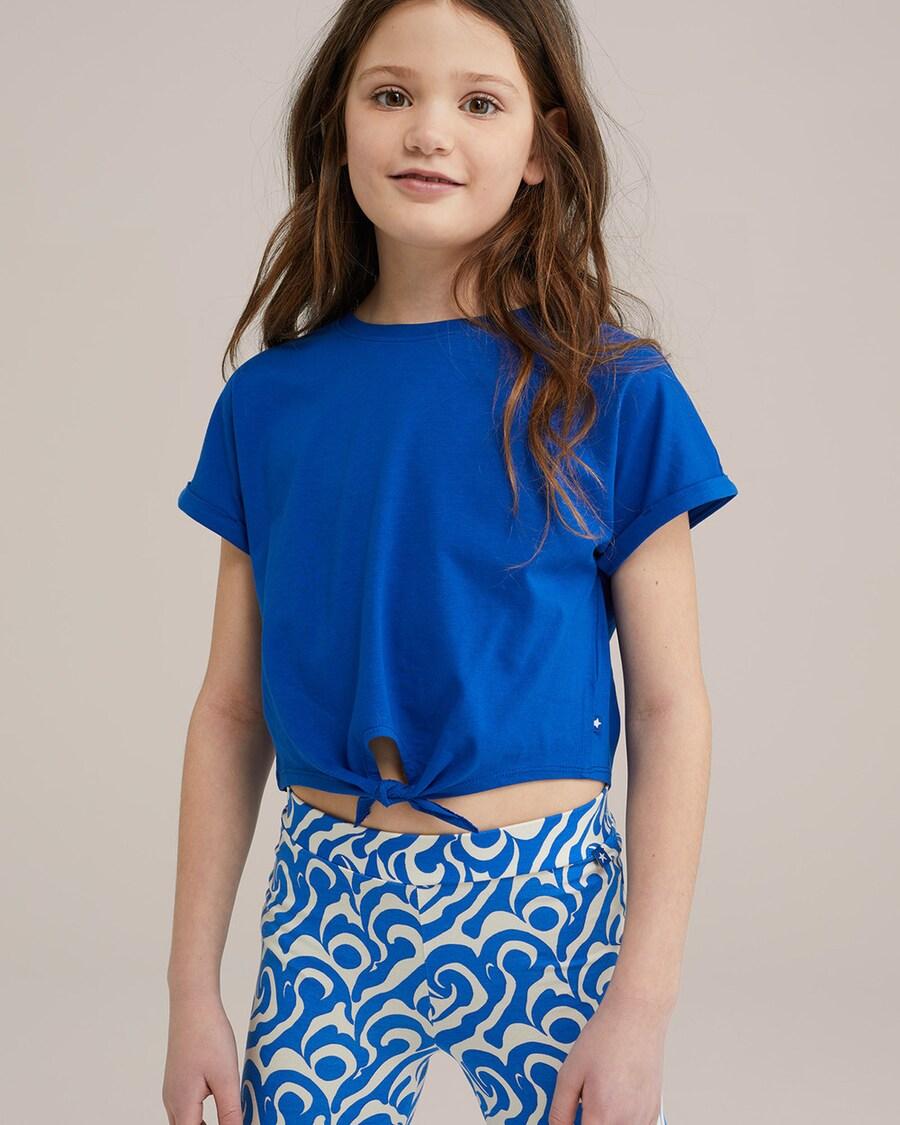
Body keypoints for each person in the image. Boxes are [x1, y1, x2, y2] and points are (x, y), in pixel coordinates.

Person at [163, 2, 739, 1123]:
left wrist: (643, 1001)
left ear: (542, 148)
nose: (429, 130)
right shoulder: (268, 405)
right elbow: (230, 711)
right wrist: (192, 991)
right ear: (337, 128)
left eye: (479, 102)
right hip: (327, 906)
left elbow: (673, 706)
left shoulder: (612, 392)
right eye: (391, 95)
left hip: (547, 909)